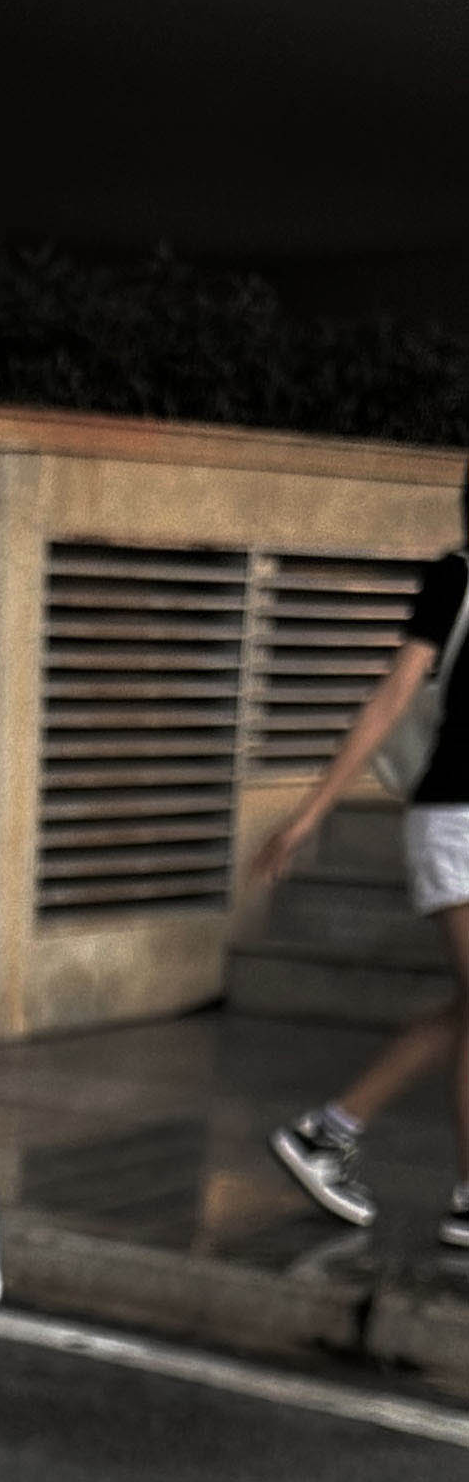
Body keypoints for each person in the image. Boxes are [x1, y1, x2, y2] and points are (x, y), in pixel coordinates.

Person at [256, 498, 469, 1255]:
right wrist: (311, 813)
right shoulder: (458, 576)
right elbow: (390, 701)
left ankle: (329, 1131)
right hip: (455, 819)